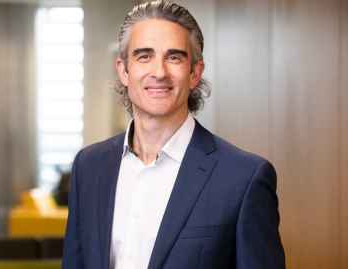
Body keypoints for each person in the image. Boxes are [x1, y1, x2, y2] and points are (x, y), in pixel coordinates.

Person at [62, 0, 285, 268]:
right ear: (123, 70)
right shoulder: (89, 166)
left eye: (174, 57)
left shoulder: (244, 178)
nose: (159, 72)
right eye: (144, 56)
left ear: (195, 73)